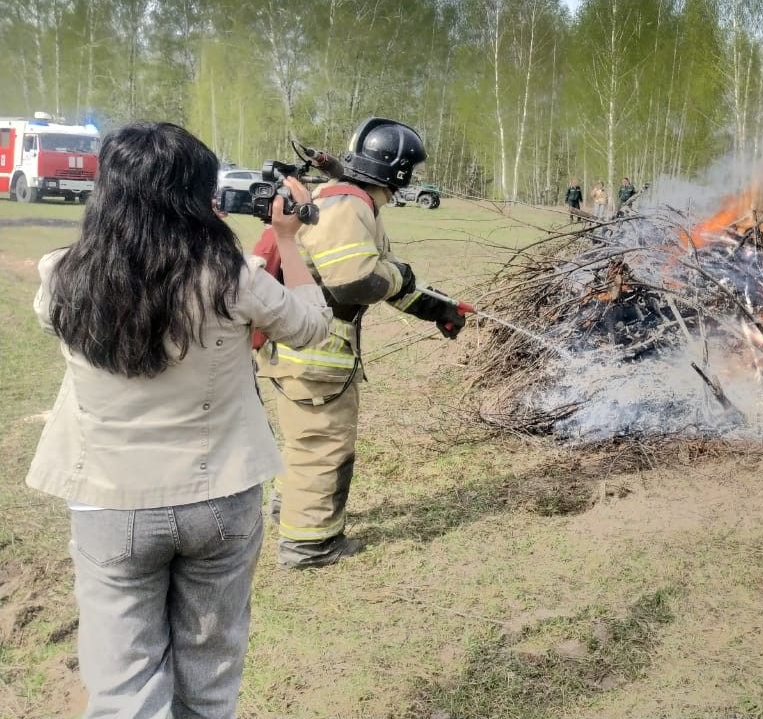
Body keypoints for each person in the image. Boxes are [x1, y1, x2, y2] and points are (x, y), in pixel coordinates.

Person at [25, 123, 332, 718]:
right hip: (220, 493)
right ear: (199, 194)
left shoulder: (61, 275)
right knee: (209, 680)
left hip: (109, 501)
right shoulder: (233, 276)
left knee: (122, 691)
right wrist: (287, 239)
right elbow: (310, 327)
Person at [260, 118, 469, 568]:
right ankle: (310, 544)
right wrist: (398, 276)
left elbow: (386, 275)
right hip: (316, 348)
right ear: (402, 172)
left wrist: (440, 309)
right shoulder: (349, 206)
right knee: (323, 443)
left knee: (304, 440)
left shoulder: (350, 202)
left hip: (302, 344)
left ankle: (290, 512)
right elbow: (359, 282)